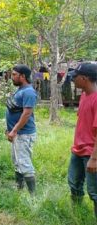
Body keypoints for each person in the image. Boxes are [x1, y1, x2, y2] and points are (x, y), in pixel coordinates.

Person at [67, 63, 97, 218]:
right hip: (78, 150)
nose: (72, 80)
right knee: (74, 184)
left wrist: (94, 158)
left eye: (75, 77)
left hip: (92, 153)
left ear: (84, 78)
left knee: (94, 192)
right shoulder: (85, 95)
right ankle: (78, 216)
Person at [5, 64, 37, 194]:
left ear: (22, 76)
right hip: (17, 133)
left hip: (23, 134)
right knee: (17, 162)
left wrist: (14, 130)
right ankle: (19, 188)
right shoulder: (20, 89)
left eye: (14, 75)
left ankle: (32, 196)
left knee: (24, 163)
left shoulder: (28, 92)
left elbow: (26, 114)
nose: (11, 77)